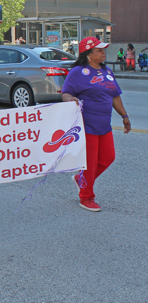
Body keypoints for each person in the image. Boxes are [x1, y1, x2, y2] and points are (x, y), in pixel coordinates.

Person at [61, 37, 131, 212]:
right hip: (87, 124)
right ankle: (86, 197)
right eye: (99, 50)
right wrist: (72, 99)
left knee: (108, 158)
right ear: (89, 54)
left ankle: (81, 180)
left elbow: (115, 96)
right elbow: (66, 94)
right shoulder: (78, 72)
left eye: (103, 50)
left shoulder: (106, 72)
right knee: (90, 163)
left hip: (104, 124)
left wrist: (124, 115)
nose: (103, 52)